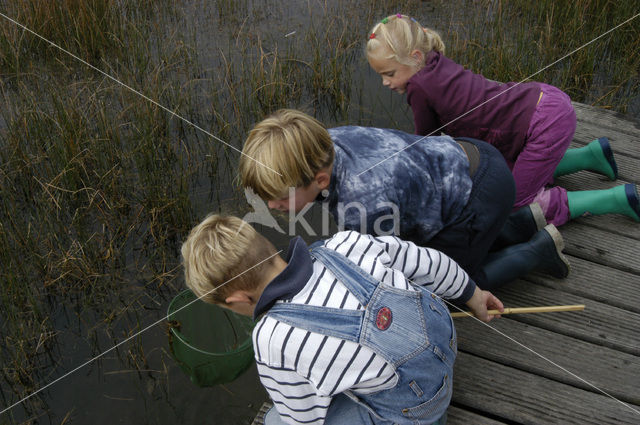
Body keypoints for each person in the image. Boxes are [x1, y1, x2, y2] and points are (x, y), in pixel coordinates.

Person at [181, 214, 505, 424]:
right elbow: (425, 262)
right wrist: (472, 295)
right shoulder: (345, 243)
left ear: (237, 299)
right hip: (444, 351)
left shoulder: (270, 338)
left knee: (275, 420)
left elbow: (303, 418)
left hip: (414, 409)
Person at [239, 109, 569, 291]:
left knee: (445, 285)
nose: (272, 207)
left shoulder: (363, 203)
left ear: (319, 180)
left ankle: (538, 252)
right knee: (450, 243)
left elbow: (392, 262)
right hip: (472, 156)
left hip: (477, 195)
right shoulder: (324, 144)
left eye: (279, 198)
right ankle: (525, 221)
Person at [365, 13, 640, 229]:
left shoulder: (419, 88)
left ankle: (613, 199)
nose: (385, 82)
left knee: (514, 201)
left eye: (389, 73)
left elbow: (425, 142)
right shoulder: (434, 61)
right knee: (514, 161)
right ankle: (591, 156)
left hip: (543, 123)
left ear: (414, 58)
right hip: (544, 100)